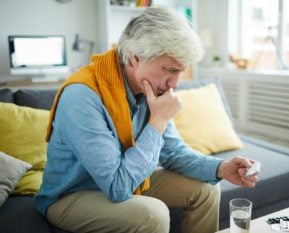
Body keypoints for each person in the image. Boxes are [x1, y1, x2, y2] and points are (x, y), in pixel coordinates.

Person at [34, 5, 258, 233]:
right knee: (153, 215)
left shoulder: (152, 90)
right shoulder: (82, 96)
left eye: (180, 72)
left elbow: (174, 153)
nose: (175, 83)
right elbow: (117, 186)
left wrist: (222, 167)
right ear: (134, 58)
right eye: (169, 69)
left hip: (127, 180)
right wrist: (157, 122)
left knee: (207, 190)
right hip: (72, 195)